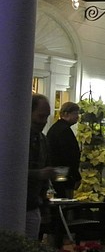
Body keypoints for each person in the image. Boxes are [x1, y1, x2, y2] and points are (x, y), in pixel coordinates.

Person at [27, 94, 55, 240]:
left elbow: (45, 179)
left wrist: (45, 208)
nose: (43, 121)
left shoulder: (43, 140)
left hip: (33, 204)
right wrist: (37, 174)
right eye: (40, 116)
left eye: (46, 117)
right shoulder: (15, 137)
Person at [46, 101, 81, 198]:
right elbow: (69, 155)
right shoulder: (64, 131)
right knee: (63, 199)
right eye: (75, 113)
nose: (77, 116)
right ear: (66, 114)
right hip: (62, 173)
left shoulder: (57, 128)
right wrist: (75, 176)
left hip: (57, 172)